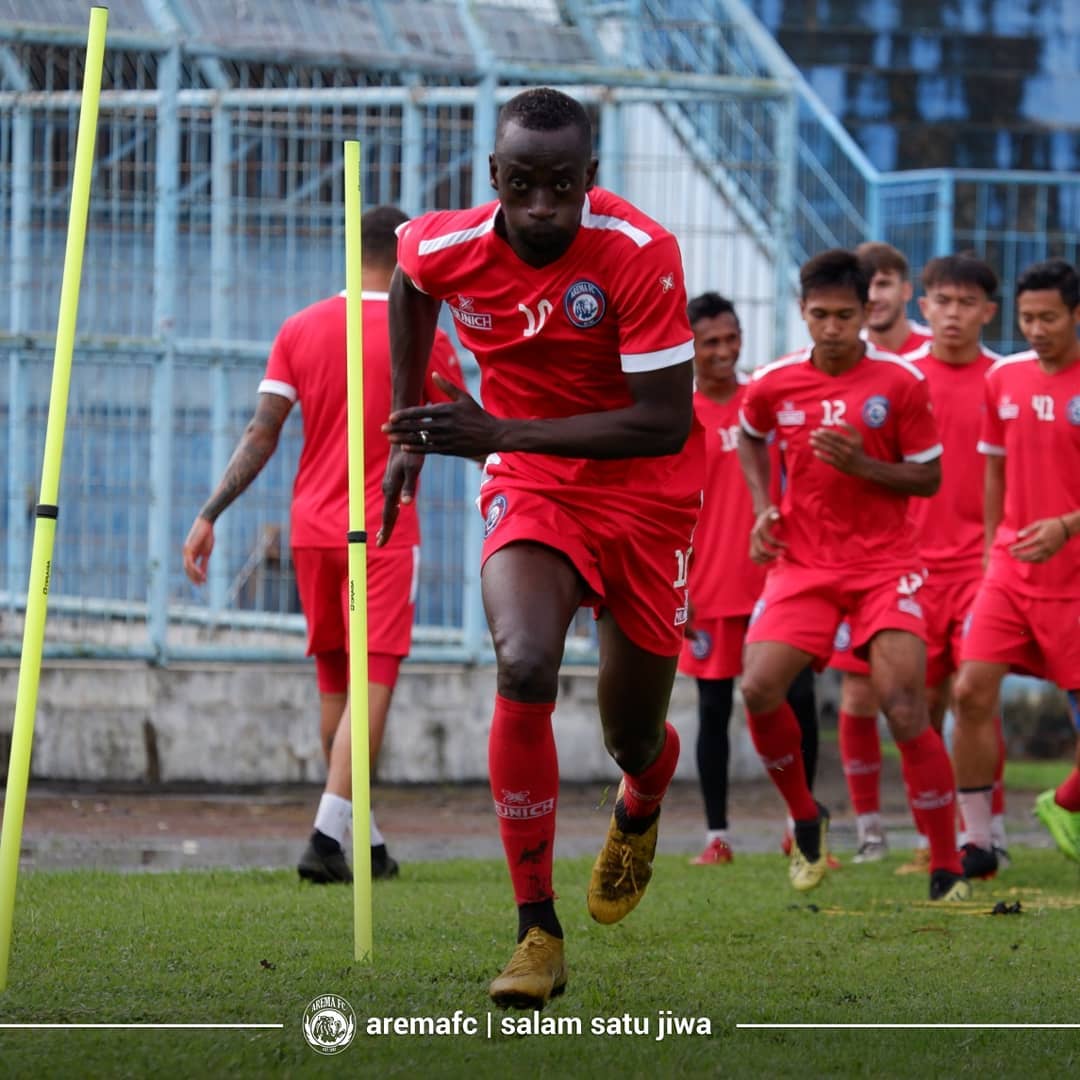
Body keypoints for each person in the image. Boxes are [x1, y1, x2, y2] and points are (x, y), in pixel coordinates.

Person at [380, 87, 703, 1009]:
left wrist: (500, 431)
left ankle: (643, 791)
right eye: (522, 185)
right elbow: (410, 281)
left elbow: (662, 423)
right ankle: (537, 931)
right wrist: (410, 427)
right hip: (532, 483)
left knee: (628, 733)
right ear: (495, 177)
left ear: (590, 180)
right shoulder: (451, 244)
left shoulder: (640, 255)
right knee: (523, 663)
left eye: (561, 186)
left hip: (646, 498)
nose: (540, 208)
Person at [182, 205, 462, 884]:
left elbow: (262, 433)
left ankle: (360, 840)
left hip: (312, 530)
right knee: (375, 684)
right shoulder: (420, 329)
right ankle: (324, 835)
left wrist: (209, 513)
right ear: (405, 258)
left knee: (336, 684)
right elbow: (464, 421)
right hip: (384, 533)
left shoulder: (299, 328)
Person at [736, 248, 968, 903]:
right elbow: (750, 434)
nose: (832, 328)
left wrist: (863, 466)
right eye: (819, 315)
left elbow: (930, 475)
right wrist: (764, 505)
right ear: (802, 312)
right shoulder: (775, 382)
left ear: (867, 313)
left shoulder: (898, 383)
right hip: (803, 565)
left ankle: (946, 866)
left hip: (886, 566)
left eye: (845, 315)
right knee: (757, 688)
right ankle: (806, 816)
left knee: (903, 704)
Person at [835, 254, 1009, 870]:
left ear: (990, 311)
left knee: (975, 695)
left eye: (967, 303)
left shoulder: (1004, 378)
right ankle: (922, 832)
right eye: (944, 302)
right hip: (907, 568)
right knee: (915, 705)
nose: (953, 315)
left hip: (985, 568)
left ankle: (988, 830)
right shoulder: (897, 377)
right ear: (923, 306)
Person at [678, 292, 820, 867]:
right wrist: (676, 584)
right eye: (710, 341)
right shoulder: (677, 416)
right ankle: (718, 836)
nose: (723, 351)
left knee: (800, 702)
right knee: (714, 711)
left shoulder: (763, 404)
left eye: (731, 338)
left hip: (777, 582)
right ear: (689, 346)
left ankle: (800, 827)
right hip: (709, 587)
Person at [952, 258, 1080, 877]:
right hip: (1010, 569)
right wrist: (990, 551)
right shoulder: (1004, 378)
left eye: (1049, 317)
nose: (1036, 328)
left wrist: (1066, 525)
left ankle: (1065, 802)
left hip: (1075, 574)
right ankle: (979, 843)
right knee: (970, 690)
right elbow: (995, 466)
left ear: (1075, 314)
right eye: (1027, 317)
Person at [830, 241, 933, 867]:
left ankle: (948, 832)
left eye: (886, 282)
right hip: (853, 556)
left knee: (931, 697)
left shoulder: (929, 361)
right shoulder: (828, 360)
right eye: (865, 285)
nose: (874, 296)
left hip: (934, 552)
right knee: (859, 693)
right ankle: (869, 827)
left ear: (904, 288)